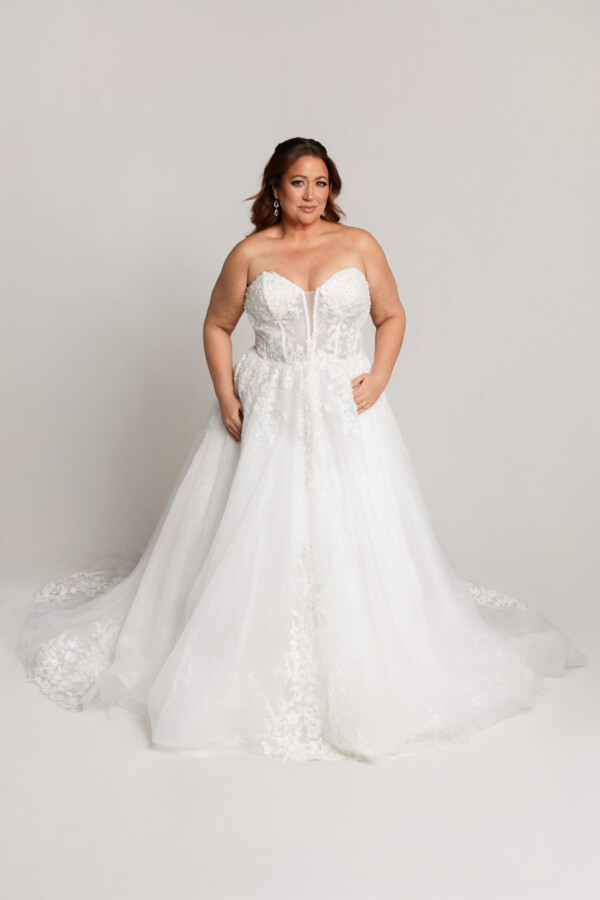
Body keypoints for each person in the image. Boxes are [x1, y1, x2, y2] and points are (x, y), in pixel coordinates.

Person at [17, 137, 587, 763]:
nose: (311, 195)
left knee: (353, 527)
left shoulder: (360, 245)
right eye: (297, 183)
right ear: (274, 189)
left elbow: (392, 315)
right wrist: (226, 393)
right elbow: (216, 324)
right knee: (258, 530)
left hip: (346, 412)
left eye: (321, 183)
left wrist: (380, 375)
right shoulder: (251, 253)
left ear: (332, 189)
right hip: (269, 409)